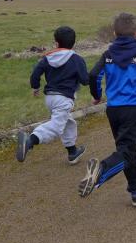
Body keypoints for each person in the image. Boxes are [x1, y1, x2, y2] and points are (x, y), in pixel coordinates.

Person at [78, 13, 136, 206]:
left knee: (126, 148)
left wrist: (97, 95)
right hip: (133, 109)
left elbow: (94, 75)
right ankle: (101, 171)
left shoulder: (108, 56)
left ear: (115, 33)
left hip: (114, 110)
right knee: (127, 150)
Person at [16, 26, 89, 165]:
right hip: (64, 99)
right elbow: (85, 80)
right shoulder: (76, 59)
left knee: (68, 123)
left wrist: (35, 86)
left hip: (50, 98)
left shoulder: (47, 58)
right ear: (74, 43)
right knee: (56, 127)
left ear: (56, 43)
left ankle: (72, 152)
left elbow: (35, 73)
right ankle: (30, 140)